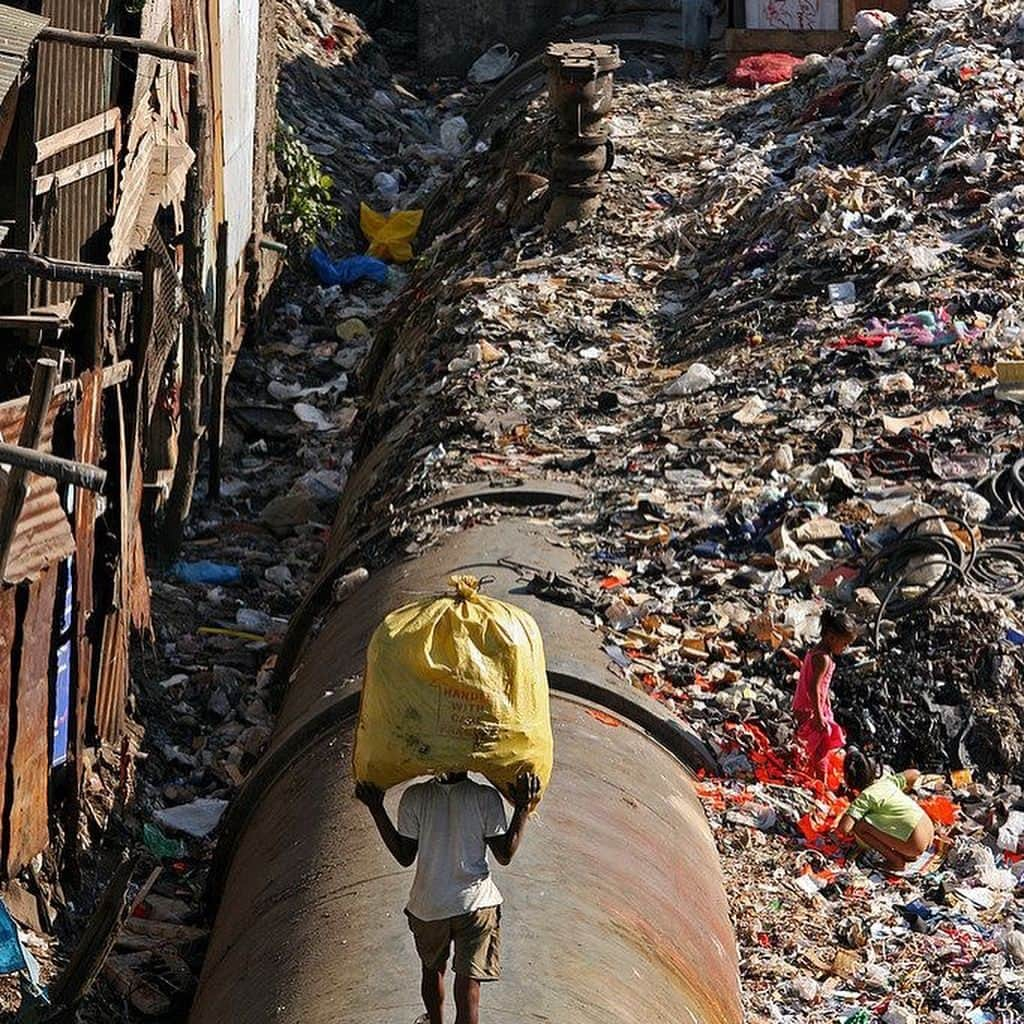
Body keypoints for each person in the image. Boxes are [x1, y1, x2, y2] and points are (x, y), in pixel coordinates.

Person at [356, 770, 541, 1024]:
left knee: (432, 970)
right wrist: (522, 807)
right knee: (469, 986)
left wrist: (376, 808)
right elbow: (504, 854)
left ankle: (434, 1020)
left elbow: (404, 855)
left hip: (428, 905)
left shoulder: (415, 797)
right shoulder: (485, 797)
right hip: (476, 905)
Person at [837, 749, 934, 872]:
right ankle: (908, 852)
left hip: (916, 844)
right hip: (929, 831)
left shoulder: (865, 797)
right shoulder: (887, 782)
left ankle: (896, 861)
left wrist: (852, 811)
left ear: (847, 778)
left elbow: (843, 828)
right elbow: (914, 773)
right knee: (883, 817)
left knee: (860, 826)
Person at [792, 608, 858, 779]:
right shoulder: (823, 659)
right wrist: (819, 715)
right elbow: (814, 687)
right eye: (844, 643)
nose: (846, 648)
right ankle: (821, 785)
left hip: (810, 705)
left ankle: (811, 775)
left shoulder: (816, 651)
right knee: (821, 749)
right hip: (811, 708)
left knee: (817, 745)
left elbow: (817, 685)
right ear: (831, 637)